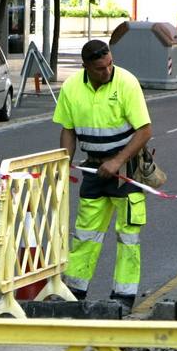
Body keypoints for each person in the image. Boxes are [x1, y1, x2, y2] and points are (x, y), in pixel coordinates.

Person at [52, 38, 153, 311]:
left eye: (110, 64)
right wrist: (63, 164)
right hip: (94, 170)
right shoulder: (72, 88)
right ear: (86, 67)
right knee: (85, 233)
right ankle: (75, 292)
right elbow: (68, 130)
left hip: (126, 171)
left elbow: (144, 130)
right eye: (100, 68)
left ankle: (123, 297)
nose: (107, 71)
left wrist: (118, 160)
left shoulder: (126, 83)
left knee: (128, 236)